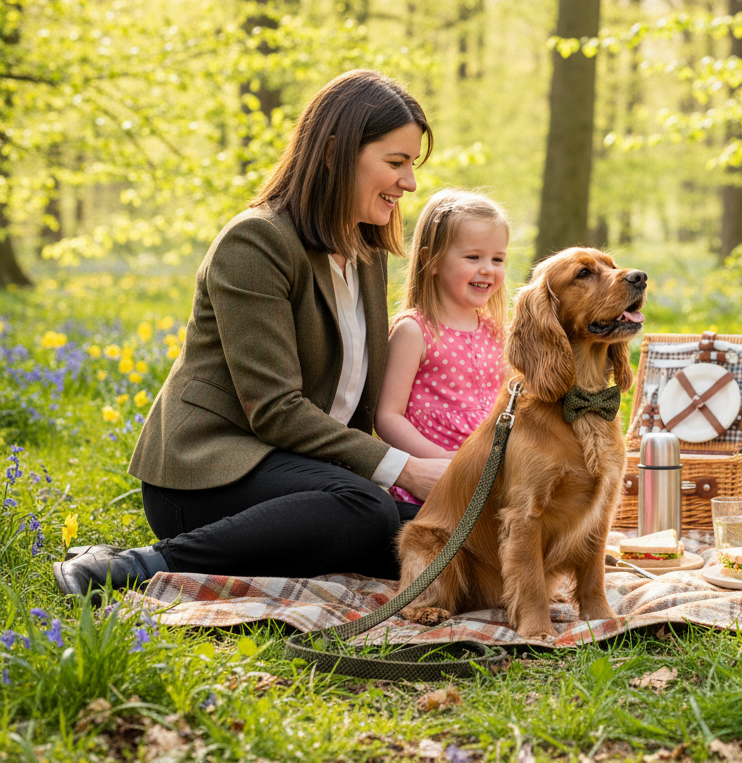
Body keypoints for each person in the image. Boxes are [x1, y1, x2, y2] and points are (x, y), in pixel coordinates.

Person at [54, 69, 451, 598]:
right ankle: (133, 566)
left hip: (308, 478)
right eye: (396, 163)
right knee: (367, 509)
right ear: (334, 153)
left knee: (436, 537)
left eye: (412, 165)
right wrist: (405, 468)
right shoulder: (256, 243)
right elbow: (274, 408)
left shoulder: (367, 253)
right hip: (205, 477)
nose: (410, 183)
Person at [376, 189, 510, 504]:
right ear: (431, 261)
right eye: (473, 257)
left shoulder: (497, 332)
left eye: (498, 258)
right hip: (433, 484)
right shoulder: (415, 330)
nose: (488, 268)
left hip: (489, 477)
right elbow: (388, 417)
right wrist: (439, 461)